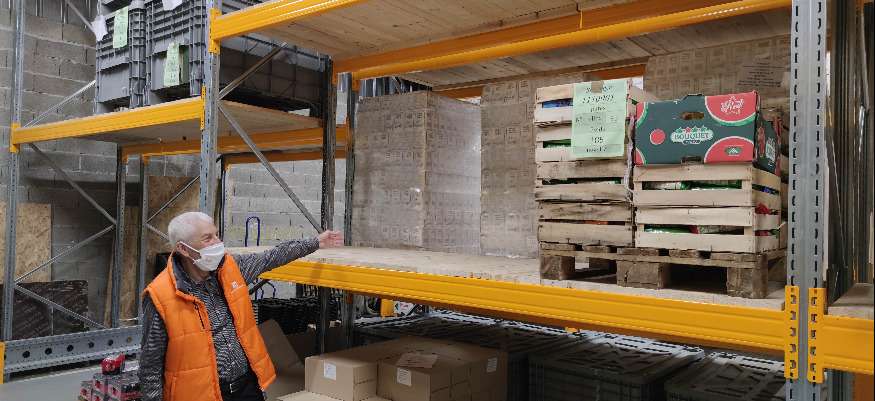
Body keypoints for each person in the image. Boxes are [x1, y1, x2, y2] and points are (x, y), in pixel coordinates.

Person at [139, 211, 343, 401]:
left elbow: (272, 256)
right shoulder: (160, 295)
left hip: (246, 387)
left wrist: (316, 242)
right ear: (183, 248)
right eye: (207, 238)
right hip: (201, 395)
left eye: (216, 234)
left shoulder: (231, 268)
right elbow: (151, 364)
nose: (218, 242)